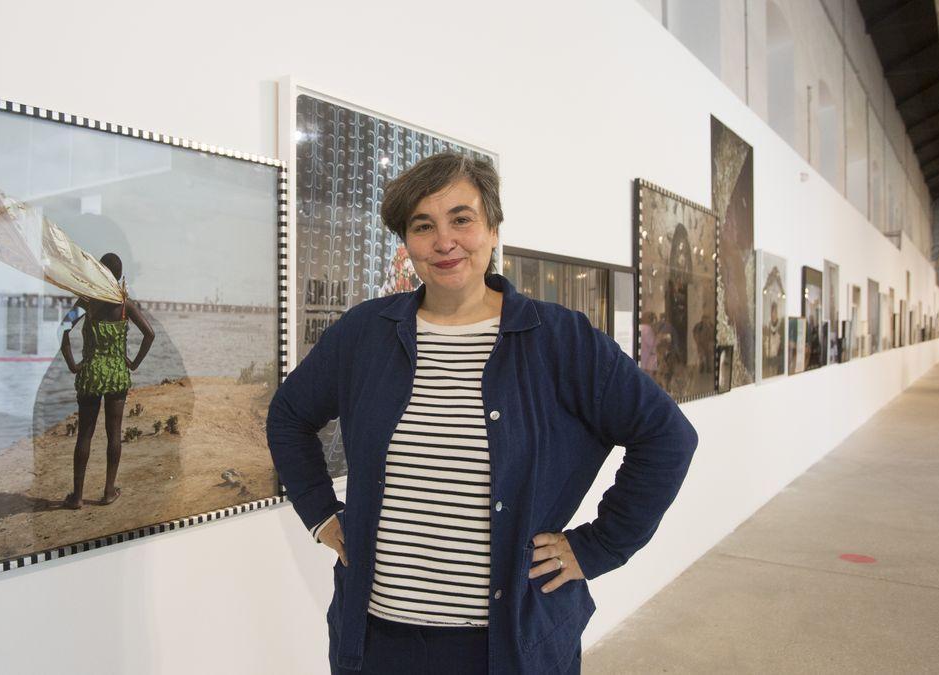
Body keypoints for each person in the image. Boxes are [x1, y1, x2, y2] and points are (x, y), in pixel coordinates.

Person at [267, 153, 698, 674]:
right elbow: (288, 416)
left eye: (462, 219)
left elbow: (667, 436)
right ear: (407, 243)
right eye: (423, 226)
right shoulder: (365, 333)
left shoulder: (559, 338)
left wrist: (600, 545)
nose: (444, 241)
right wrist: (320, 514)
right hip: (378, 640)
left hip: (507, 645)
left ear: (493, 228)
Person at [60, 252, 155, 509]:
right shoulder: (125, 305)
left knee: (85, 435)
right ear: (120, 276)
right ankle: (108, 492)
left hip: (90, 374)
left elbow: (62, 330)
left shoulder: (87, 302)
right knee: (114, 434)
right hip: (116, 374)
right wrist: (133, 363)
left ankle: (77, 497)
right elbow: (149, 334)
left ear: (98, 272)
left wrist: (72, 364)